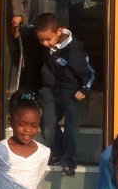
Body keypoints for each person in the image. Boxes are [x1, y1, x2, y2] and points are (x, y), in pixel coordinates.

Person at [35, 11, 94, 177]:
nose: (45, 44)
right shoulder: (46, 40)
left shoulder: (75, 51)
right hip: (49, 89)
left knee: (71, 126)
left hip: (70, 92)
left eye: (48, 39)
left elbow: (90, 73)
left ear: (59, 31)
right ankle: (58, 151)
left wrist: (84, 89)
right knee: (47, 124)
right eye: (41, 40)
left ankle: (69, 161)